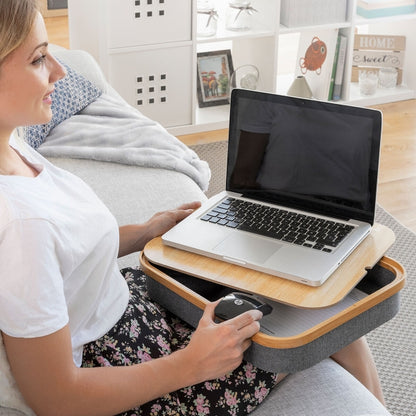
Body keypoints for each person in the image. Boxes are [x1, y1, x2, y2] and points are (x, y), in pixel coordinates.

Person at [0, 1, 385, 415]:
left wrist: (146, 230)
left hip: (128, 307)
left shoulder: (13, 145)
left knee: (305, 298)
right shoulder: (22, 226)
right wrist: (192, 364)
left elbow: (65, 257)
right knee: (331, 323)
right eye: (39, 59)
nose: (59, 71)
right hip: (130, 373)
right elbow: (58, 399)